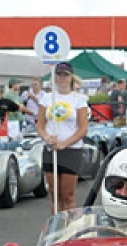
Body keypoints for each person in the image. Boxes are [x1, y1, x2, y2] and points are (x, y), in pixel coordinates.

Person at [36, 61, 89, 213]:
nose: (62, 78)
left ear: (71, 77)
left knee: (68, 196)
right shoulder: (47, 98)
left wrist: (65, 143)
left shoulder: (79, 99)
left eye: (65, 74)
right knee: (55, 196)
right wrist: (46, 137)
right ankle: (56, 231)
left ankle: (69, 229)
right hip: (51, 149)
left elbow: (83, 128)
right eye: (59, 74)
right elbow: (40, 125)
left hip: (71, 150)